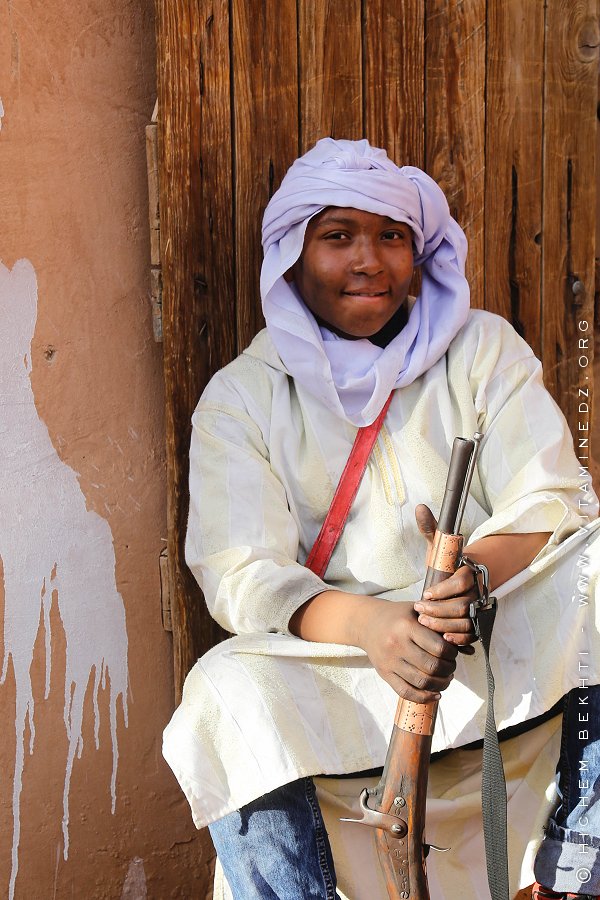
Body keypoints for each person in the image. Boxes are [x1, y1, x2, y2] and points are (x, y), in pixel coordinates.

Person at [162, 138, 600, 899]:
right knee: (223, 692)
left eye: (391, 236)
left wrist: (473, 577)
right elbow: (243, 575)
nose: (369, 262)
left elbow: (551, 498)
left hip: (486, 633)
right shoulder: (243, 397)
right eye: (338, 237)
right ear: (292, 258)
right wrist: (373, 627)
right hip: (347, 660)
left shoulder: (480, 349)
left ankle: (577, 869)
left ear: (417, 250)